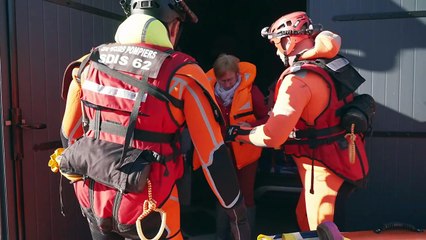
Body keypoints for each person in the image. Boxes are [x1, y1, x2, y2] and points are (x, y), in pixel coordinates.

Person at [50, 0, 251, 239]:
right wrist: (237, 215)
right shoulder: (183, 74)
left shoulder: (87, 63)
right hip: (153, 209)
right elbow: (212, 156)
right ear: (173, 27)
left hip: (95, 199)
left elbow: (68, 134)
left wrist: (82, 183)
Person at [225, 11, 374, 231]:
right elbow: (310, 116)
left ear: (289, 41)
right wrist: (257, 125)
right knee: (305, 216)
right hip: (341, 159)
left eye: (277, 44)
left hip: (322, 170)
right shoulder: (331, 62)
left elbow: (273, 136)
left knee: (321, 229)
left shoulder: (297, 80)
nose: (276, 52)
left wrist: (238, 134)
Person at [193, 54, 268, 239]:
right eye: (222, 80)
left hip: (247, 154)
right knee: (224, 195)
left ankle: (246, 236)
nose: (227, 84)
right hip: (220, 152)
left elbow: (267, 118)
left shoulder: (252, 91)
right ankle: (222, 236)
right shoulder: (208, 93)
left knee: (246, 196)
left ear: (238, 75)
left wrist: (251, 125)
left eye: (230, 80)